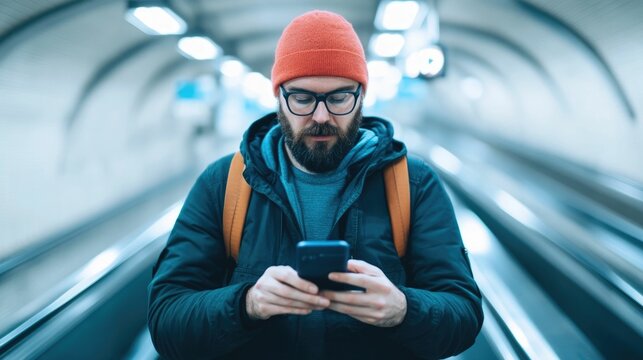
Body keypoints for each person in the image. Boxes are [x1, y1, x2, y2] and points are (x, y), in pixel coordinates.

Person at [148, 10, 483, 360]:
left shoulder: (412, 184)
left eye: (338, 97)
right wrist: (246, 303)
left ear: (361, 96)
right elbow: (166, 319)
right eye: (303, 98)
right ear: (279, 96)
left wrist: (403, 309)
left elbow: (463, 314)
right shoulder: (225, 184)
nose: (321, 116)